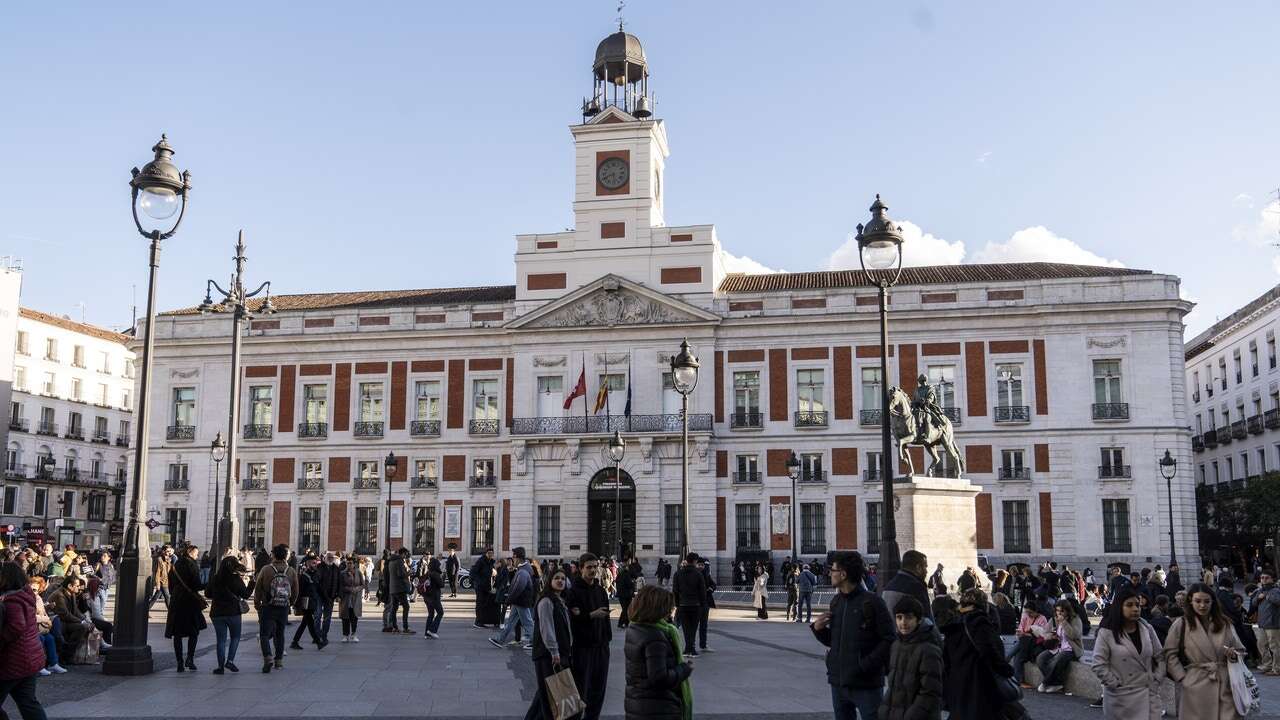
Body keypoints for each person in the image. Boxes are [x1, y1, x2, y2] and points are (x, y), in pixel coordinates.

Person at [811, 551, 894, 720]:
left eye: (832, 570)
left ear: (843, 574)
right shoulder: (836, 602)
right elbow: (835, 641)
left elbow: (889, 638)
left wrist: (865, 665)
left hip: (866, 684)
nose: (829, 573)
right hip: (839, 682)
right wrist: (818, 629)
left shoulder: (873, 602)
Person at [1164, 582, 1246, 720]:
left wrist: (1233, 655)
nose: (1202, 605)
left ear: (1213, 602)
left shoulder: (1225, 623)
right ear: (1190, 601)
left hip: (1225, 683)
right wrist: (1183, 678)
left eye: (1207, 601)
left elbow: (1240, 649)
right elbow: (1169, 653)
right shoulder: (1181, 624)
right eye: (1198, 601)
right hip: (1195, 683)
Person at [937, 589, 1018, 720]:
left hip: (958, 686)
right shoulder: (979, 622)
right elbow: (989, 652)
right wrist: (1006, 670)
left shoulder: (953, 625)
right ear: (983, 604)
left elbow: (946, 659)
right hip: (979, 685)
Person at [1091, 587, 1164, 719]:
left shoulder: (1147, 628)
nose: (1135, 609)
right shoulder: (1106, 632)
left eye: (1137, 605)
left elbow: (1160, 656)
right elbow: (1098, 664)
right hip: (1120, 697)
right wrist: (1115, 683)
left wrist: (1157, 679)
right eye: (1129, 605)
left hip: (1148, 694)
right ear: (1119, 607)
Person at [624, 585, 693, 720]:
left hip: (638, 705)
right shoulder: (655, 636)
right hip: (658, 709)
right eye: (670, 607)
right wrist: (684, 669)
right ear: (659, 609)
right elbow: (659, 678)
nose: (673, 611)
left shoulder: (635, 628)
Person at [0, 562, 50, 720]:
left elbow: (16, 626)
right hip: (30, 658)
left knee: (27, 702)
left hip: (14, 660)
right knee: (28, 702)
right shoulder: (26, 596)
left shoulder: (12, 600)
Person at [878, 596, 942, 720]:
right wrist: (884, 711)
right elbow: (893, 688)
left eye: (909, 617)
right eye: (899, 617)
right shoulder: (896, 645)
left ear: (918, 620)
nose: (903, 622)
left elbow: (930, 693)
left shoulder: (928, 650)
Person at [566, 552, 612, 720]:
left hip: (601, 646)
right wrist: (591, 615)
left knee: (598, 690)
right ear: (581, 569)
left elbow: (605, 616)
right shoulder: (574, 592)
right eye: (589, 567)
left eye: (595, 566)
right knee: (580, 689)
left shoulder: (600, 590)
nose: (593, 570)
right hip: (582, 647)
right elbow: (573, 619)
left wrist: (607, 639)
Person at [525, 568, 574, 720]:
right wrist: (554, 651)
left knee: (544, 695)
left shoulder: (560, 601)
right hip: (548, 656)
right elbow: (547, 628)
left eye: (563, 579)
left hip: (560, 654)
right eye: (557, 578)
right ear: (550, 581)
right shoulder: (546, 601)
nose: (560, 581)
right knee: (550, 698)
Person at [253, 544, 299, 673]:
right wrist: (290, 603)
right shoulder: (290, 571)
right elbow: (295, 590)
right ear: (286, 556)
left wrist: (257, 603)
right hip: (283, 606)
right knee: (280, 634)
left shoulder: (266, 569)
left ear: (273, 555)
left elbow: (258, 587)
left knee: (264, 634)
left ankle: (268, 657)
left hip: (268, 605)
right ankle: (279, 661)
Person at [205, 554, 252, 674]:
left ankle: (220, 667)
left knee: (220, 640)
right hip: (233, 612)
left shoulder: (216, 578)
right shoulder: (235, 579)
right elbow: (246, 594)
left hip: (217, 613)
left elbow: (208, 594)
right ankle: (230, 661)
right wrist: (252, 584)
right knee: (235, 637)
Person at [166, 544, 207, 672]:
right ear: (190, 553)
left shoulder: (176, 565)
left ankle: (179, 662)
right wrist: (206, 584)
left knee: (177, 634)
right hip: (190, 603)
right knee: (193, 632)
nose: (197, 555)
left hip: (177, 602)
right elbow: (197, 585)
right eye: (196, 553)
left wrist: (176, 593)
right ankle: (190, 658)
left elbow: (171, 584)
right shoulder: (192, 565)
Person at [490, 547, 535, 649]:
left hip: (521, 600)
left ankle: (535, 641)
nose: (512, 559)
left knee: (527, 622)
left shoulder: (523, 570)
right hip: (519, 600)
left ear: (517, 557)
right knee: (511, 622)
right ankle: (500, 639)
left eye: (513, 556)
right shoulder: (523, 568)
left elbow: (518, 588)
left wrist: (508, 600)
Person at [882, 550, 933, 622]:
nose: (926, 571)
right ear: (918, 567)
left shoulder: (888, 586)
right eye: (925, 567)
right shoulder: (917, 587)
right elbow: (927, 620)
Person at [670, 553, 705, 658]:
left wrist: (677, 604)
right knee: (693, 627)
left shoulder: (678, 574)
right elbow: (702, 591)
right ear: (694, 561)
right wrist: (702, 604)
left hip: (683, 604)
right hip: (695, 604)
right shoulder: (699, 574)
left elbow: (675, 590)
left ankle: (687, 649)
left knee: (685, 627)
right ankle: (692, 648)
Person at [290, 554, 327, 649]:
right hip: (306, 603)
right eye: (312, 562)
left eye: (315, 562)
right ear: (307, 563)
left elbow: (319, 588)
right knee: (309, 623)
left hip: (312, 602)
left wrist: (327, 599)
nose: (314, 564)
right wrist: (296, 604)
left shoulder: (315, 574)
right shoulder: (304, 576)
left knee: (305, 623)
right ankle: (318, 642)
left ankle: (295, 642)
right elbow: (299, 591)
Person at [1252, 570, 1280, 675]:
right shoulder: (1260, 590)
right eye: (1262, 578)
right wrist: (1258, 598)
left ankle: (1277, 668)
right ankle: (1267, 665)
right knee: (1261, 644)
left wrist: (1268, 596)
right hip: (1262, 623)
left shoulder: (1276, 590)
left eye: (1266, 577)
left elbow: (1278, 601)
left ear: (1272, 579)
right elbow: (1254, 603)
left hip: (1273, 623)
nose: (1263, 580)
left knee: (1275, 646)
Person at [315, 551, 342, 644]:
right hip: (320, 595)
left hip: (331, 596)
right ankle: (317, 635)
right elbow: (317, 582)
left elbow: (339, 583)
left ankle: (324, 635)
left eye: (332, 558)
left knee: (327, 618)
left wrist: (338, 595)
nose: (330, 559)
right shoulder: (319, 567)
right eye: (329, 558)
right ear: (325, 558)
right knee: (317, 615)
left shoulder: (336, 569)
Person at [386, 548, 413, 634]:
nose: (406, 556)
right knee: (406, 607)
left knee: (394, 608)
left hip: (393, 588)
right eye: (405, 554)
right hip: (400, 588)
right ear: (403, 554)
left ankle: (394, 627)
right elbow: (401, 574)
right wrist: (409, 572)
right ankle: (405, 627)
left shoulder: (391, 561)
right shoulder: (399, 561)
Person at [339, 554, 366, 642]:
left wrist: (357, 589)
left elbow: (362, 584)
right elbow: (340, 586)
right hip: (346, 598)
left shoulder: (358, 572)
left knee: (354, 617)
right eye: (348, 563)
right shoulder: (343, 573)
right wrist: (348, 589)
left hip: (356, 598)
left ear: (354, 564)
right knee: (345, 617)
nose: (349, 565)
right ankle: (345, 635)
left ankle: (354, 634)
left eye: (350, 563)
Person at [472, 548, 501, 628]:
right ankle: (477, 622)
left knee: (484, 604)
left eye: (492, 553)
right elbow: (473, 572)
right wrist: (479, 582)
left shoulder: (491, 562)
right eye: (489, 553)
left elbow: (489, 573)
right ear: (486, 553)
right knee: (480, 604)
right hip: (480, 586)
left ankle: (482, 621)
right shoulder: (481, 561)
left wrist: (493, 571)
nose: (490, 554)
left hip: (486, 586)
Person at [696, 557, 716, 653]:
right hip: (696, 603)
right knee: (694, 626)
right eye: (699, 565)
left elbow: (713, 584)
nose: (701, 566)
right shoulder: (694, 574)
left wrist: (710, 589)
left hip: (705, 603)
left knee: (704, 625)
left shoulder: (706, 574)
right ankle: (690, 647)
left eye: (702, 565)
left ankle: (703, 645)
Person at [421, 557, 444, 638]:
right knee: (440, 612)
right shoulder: (435, 574)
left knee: (431, 614)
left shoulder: (428, 573)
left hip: (427, 597)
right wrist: (442, 576)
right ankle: (432, 630)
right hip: (434, 597)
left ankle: (427, 634)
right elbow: (441, 584)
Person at [148, 545, 173, 609]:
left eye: (169, 551)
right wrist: (158, 584)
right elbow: (157, 572)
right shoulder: (159, 559)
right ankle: (171, 612)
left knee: (155, 598)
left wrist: (168, 561)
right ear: (163, 551)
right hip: (162, 581)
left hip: (166, 581)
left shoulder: (168, 559)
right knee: (167, 597)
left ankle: (145, 610)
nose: (169, 553)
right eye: (167, 551)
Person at [616, 557, 637, 629]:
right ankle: (621, 623)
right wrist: (633, 583)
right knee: (626, 609)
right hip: (626, 594)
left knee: (626, 609)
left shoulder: (619, 575)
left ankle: (626, 622)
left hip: (622, 594)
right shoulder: (626, 574)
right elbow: (629, 584)